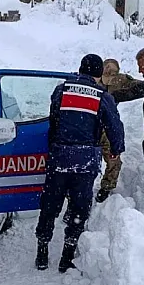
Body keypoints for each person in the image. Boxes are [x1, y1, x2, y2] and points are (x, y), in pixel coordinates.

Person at [35, 54, 125, 273]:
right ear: (97, 74)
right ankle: (67, 254)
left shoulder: (62, 89)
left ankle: (42, 250)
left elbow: (54, 119)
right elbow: (114, 125)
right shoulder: (102, 96)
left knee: (50, 203)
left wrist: (55, 145)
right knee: (79, 206)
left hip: (60, 157)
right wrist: (116, 149)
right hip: (85, 160)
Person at [95, 58, 137, 203]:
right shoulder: (92, 78)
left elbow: (138, 86)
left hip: (107, 126)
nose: (108, 72)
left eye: (112, 71)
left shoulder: (120, 80)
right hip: (89, 126)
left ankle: (106, 187)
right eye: (106, 68)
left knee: (113, 159)